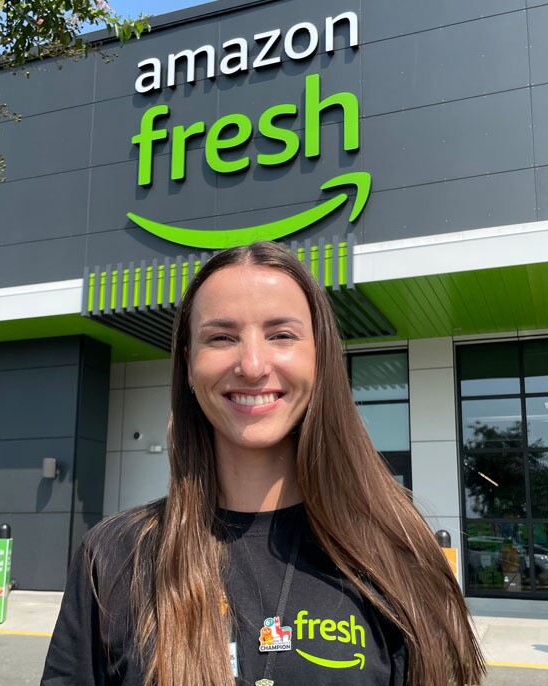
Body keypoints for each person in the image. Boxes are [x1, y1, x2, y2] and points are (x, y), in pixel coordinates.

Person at [40, 242, 485, 685]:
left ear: (321, 356)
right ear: (189, 365)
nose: (252, 365)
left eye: (281, 335)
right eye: (220, 337)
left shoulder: (396, 552)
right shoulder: (115, 557)